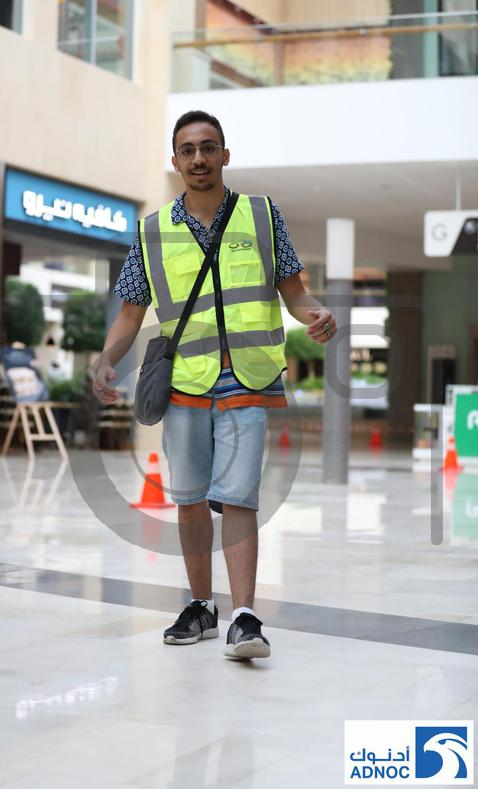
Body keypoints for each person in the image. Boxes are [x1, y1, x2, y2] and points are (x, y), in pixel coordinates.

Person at [94, 110, 337, 660]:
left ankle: (245, 617)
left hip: (248, 376)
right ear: (175, 160)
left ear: (225, 155)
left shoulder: (263, 215)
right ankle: (202, 606)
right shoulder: (151, 232)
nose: (198, 158)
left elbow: (294, 293)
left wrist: (316, 314)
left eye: (208, 147)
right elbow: (130, 313)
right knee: (189, 500)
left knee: (240, 497)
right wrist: (106, 359)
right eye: (188, 150)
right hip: (184, 381)